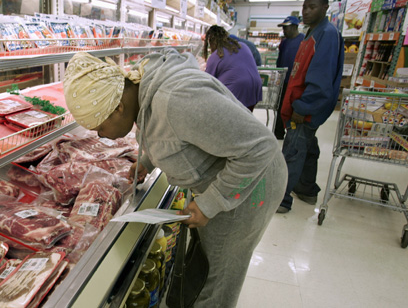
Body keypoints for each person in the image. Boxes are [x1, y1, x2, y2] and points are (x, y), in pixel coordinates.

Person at [63, 49, 287, 307]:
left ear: (118, 108)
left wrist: (209, 204)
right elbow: (177, 134)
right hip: (228, 176)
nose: (101, 136)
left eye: (99, 127)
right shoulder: (145, 91)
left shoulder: (177, 101)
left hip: (250, 187)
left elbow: (260, 148)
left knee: (219, 276)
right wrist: (148, 160)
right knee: (203, 260)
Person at [277, 0, 344, 214]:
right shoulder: (312, 32)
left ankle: (281, 200)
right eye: (304, 6)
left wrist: (303, 107)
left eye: (312, 7)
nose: (306, 11)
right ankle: (306, 190)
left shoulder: (327, 35)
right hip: (301, 105)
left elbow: (321, 78)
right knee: (307, 147)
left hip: (304, 108)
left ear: (325, 8)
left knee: (292, 151)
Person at [204, 25, 263, 112]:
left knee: (230, 119)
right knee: (246, 117)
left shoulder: (216, 55)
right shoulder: (243, 45)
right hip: (255, 88)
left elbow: (208, 81)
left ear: (212, 42)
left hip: (237, 89)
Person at [274, 16, 304, 140]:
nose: (284, 31)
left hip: (297, 82)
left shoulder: (303, 40)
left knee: (294, 108)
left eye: (286, 28)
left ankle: (293, 133)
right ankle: (278, 133)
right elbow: (280, 61)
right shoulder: (284, 42)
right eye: (283, 28)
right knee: (280, 107)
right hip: (284, 81)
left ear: (294, 27)